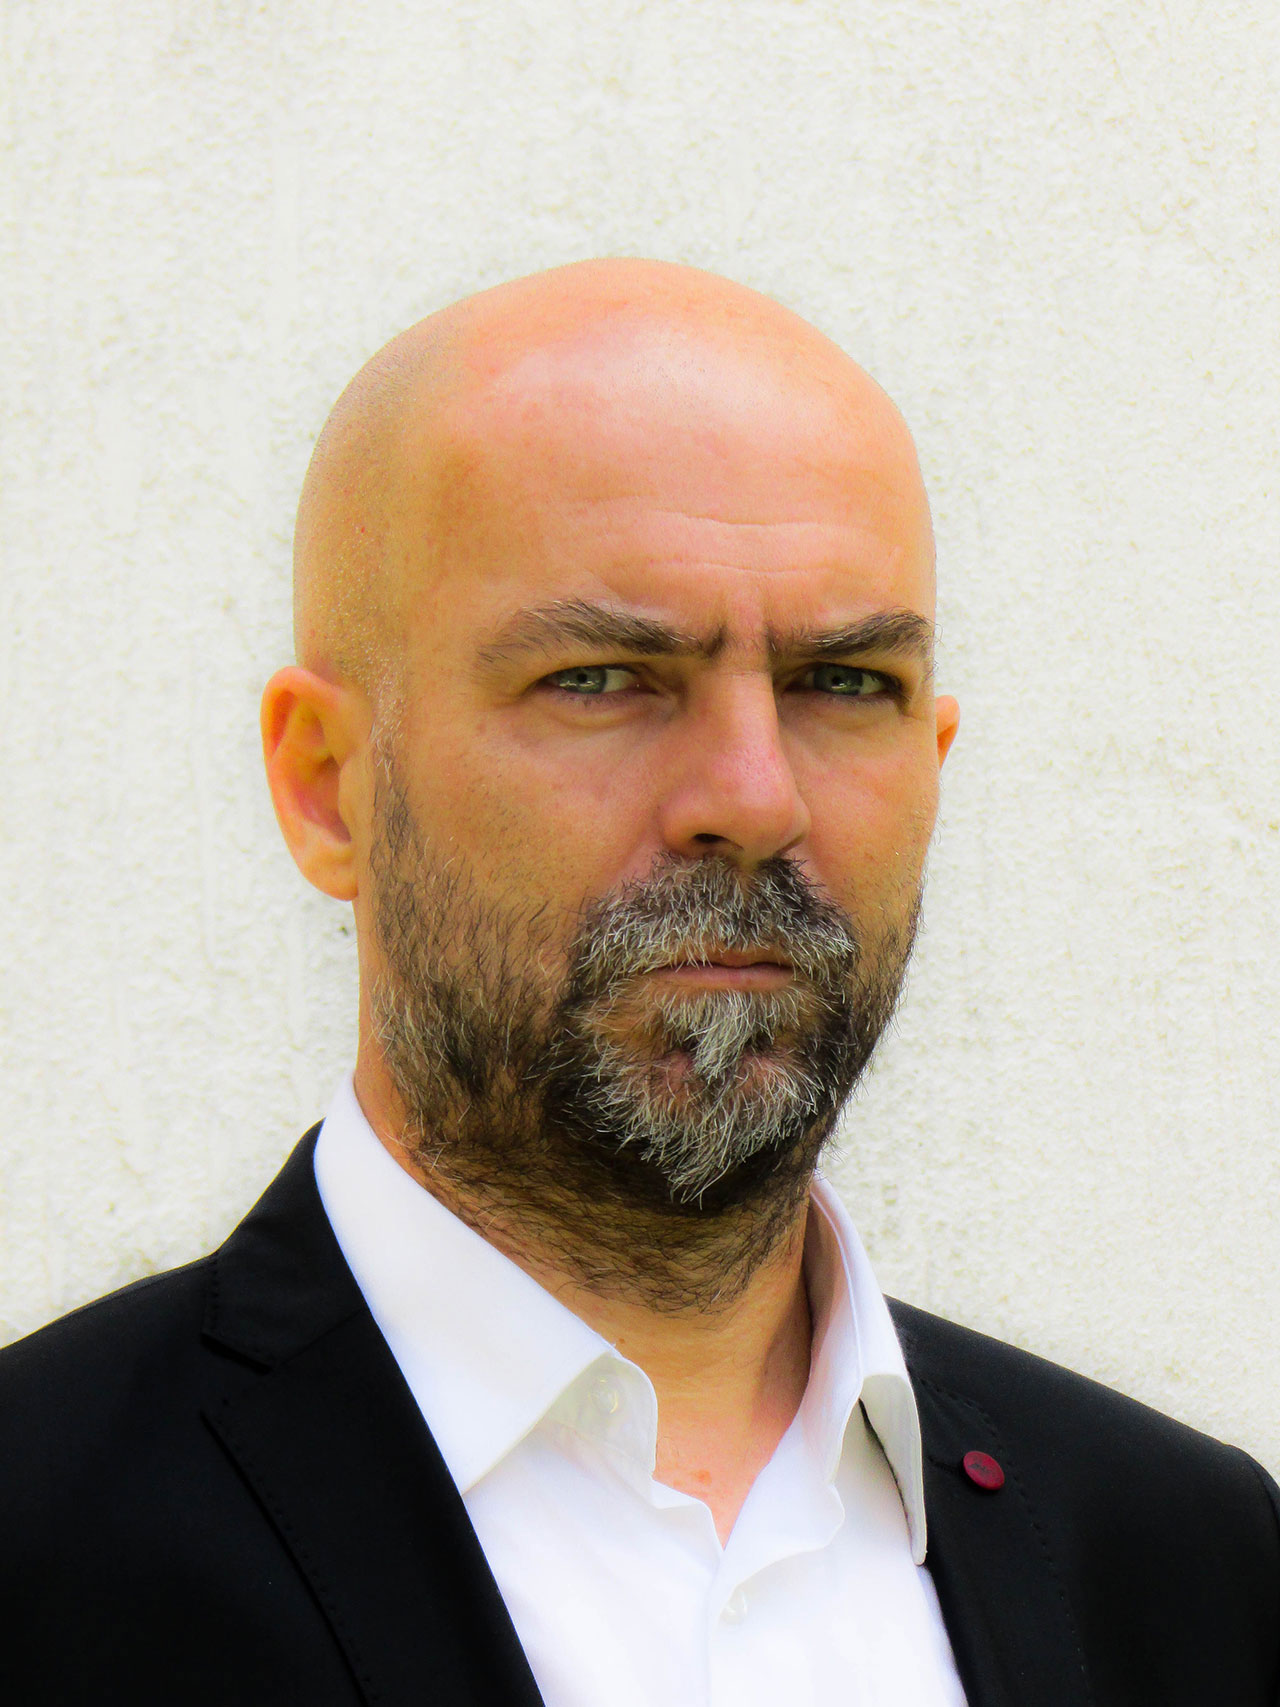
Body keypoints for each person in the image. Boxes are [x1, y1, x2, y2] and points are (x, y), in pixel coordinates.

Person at [0, 260, 1276, 1707]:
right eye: (604, 678)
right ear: (325, 785)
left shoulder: (1190, 1570)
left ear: (936, 760)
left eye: (846, 683)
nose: (754, 797)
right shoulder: (37, 1549)